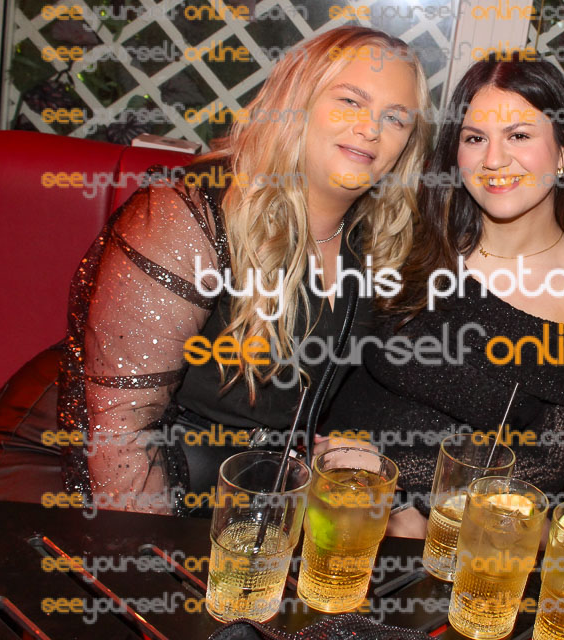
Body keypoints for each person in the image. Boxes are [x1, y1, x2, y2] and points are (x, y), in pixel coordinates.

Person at [56, 26, 432, 516]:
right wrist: (155, 556)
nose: (371, 129)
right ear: (295, 101)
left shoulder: (375, 239)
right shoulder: (186, 215)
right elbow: (117, 430)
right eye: (350, 101)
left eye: (396, 118)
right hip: (163, 494)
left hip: (266, 499)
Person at [323, 53, 564, 537]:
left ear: (563, 150)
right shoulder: (413, 241)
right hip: (326, 496)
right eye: (475, 138)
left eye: (519, 136)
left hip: (440, 538)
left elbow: (545, 469)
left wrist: (391, 478)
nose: (494, 160)